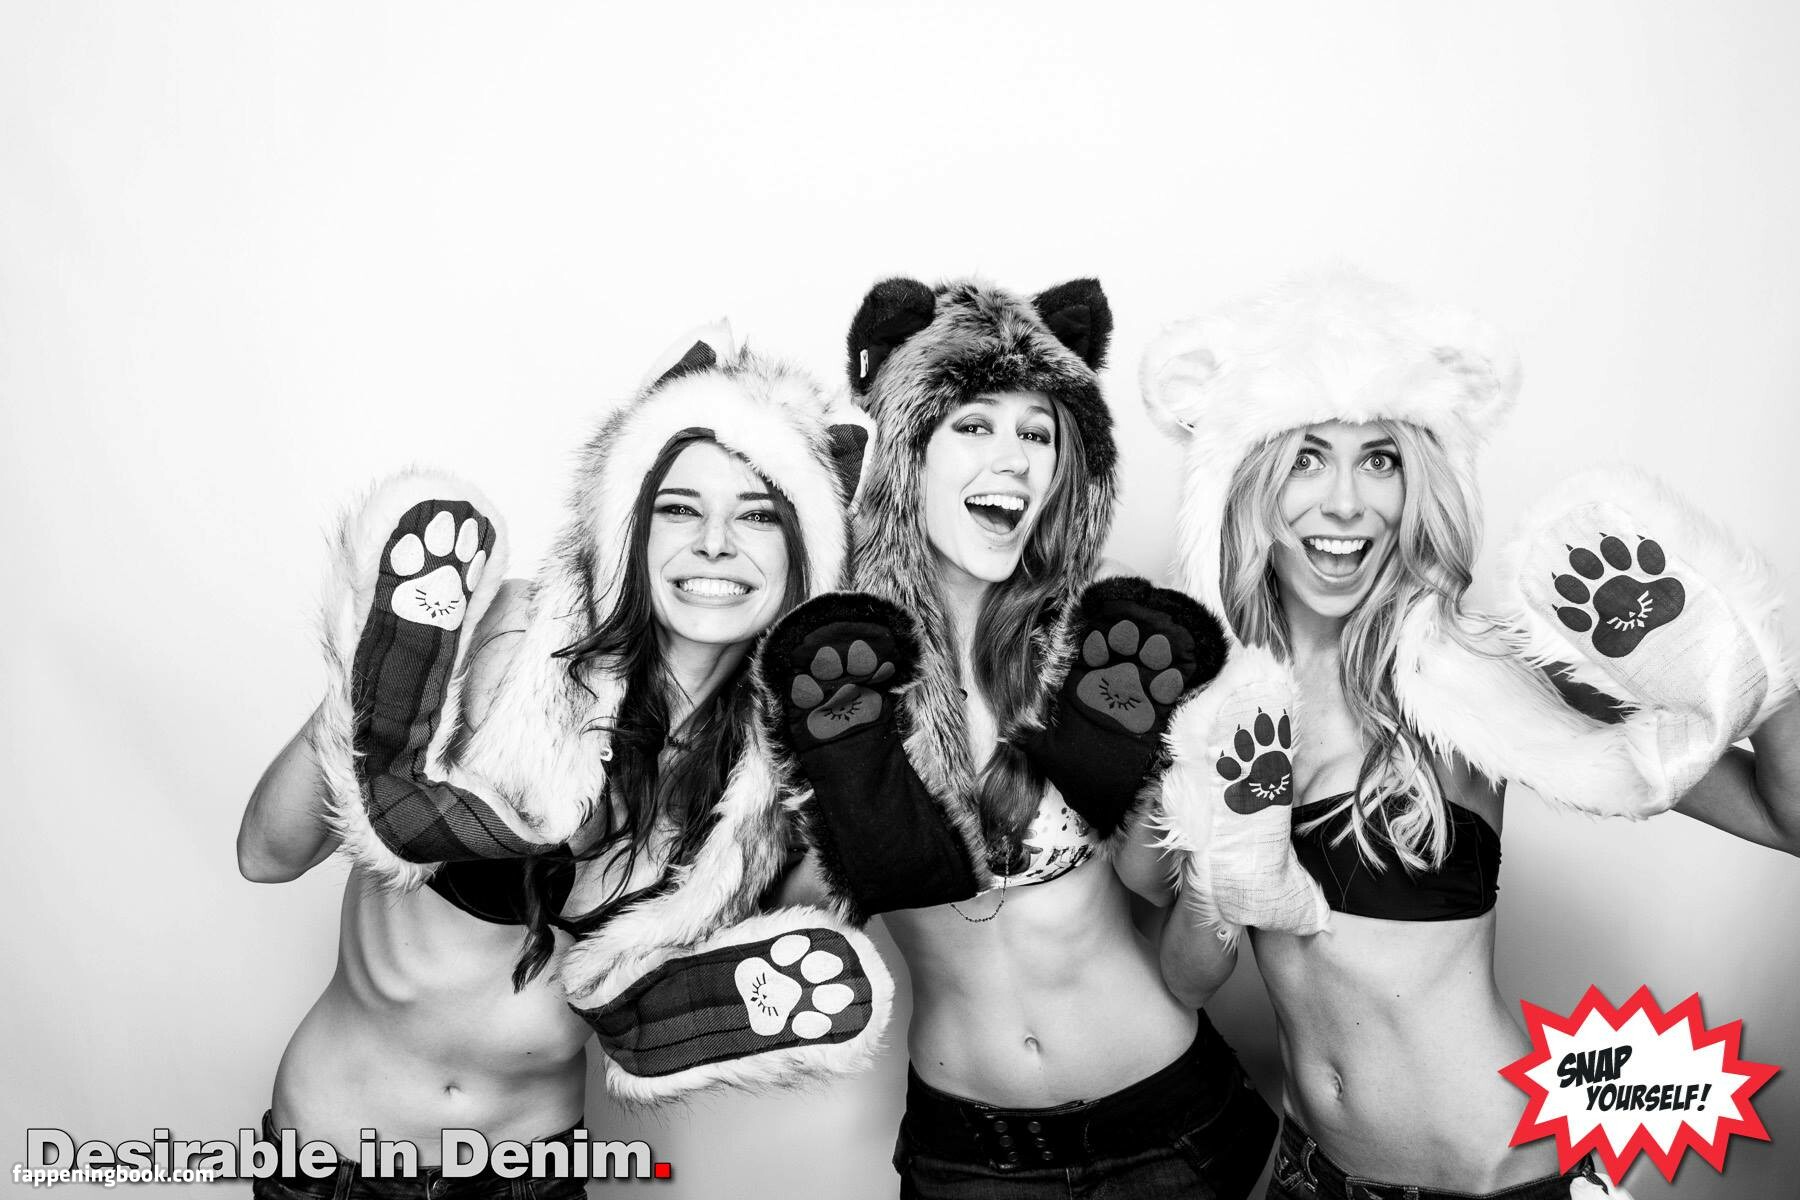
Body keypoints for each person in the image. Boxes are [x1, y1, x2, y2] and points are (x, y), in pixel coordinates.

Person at [1138, 269, 1799, 1200]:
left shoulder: (1472, 676)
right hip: (1310, 1177)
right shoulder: (1211, 708)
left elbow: (1785, 818)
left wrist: (1756, 678)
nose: (1345, 503)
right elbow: (1183, 982)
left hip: (1499, 1180)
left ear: (1420, 485)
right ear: (1246, 485)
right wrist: (1226, 864)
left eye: (1381, 460)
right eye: (1307, 458)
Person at [238, 331, 884, 1198]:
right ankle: (393, 733)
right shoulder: (511, 638)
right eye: (679, 508)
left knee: (720, 921)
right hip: (337, 1162)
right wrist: (365, 686)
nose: (715, 543)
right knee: (416, 759)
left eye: (760, 515)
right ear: (628, 523)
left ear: (807, 549)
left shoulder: (769, 783)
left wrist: (850, 802)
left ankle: (663, 1018)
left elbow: (821, 920)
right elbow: (266, 855)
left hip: (532, 1171)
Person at [758, 277, 1277, 1200]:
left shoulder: (1108, 639)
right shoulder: (825, 664)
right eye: (973, 425)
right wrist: (848, 819)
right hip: (969, 1156)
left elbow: (1178, 943)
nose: (1014, 460)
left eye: (1038, 434)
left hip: (1173, 1128)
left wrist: (1222, 848)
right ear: (905, 450)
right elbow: (794, 921)